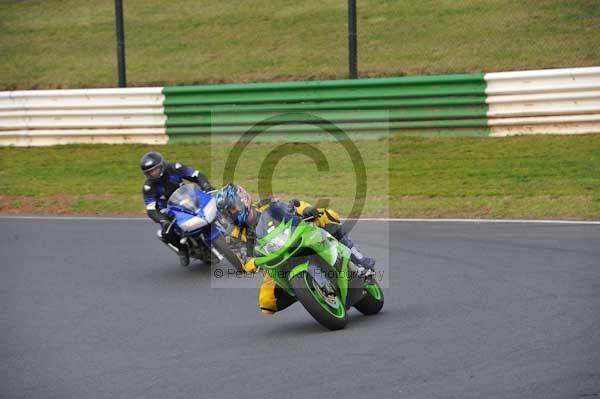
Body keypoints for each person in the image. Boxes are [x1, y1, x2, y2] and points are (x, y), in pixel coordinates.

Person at [215, 183, 375, 315]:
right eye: (227, 212)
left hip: (295, 236)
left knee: (326, 215)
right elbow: (244, 259)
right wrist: (253, 263)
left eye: (233, 208)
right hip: (272, 261)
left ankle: (356, 256)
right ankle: (303, 291)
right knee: (266, 303)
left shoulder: (266, 204)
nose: (231, 214)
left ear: (243, 199)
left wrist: (306, 210)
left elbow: (291, 207)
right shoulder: (232, 235)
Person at [140, 151, 214, 266]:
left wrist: (205, 185)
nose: (153, 173)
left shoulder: (174, 168)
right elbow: (150, 208)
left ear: (161, 165)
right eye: (150, 172)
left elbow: (195, 175)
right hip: (168, 209)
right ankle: (182, 250)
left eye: (155, 169)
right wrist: (162, 219)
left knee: (212, 200)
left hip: (187, 197)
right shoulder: (148, 187)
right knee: (167, 232)